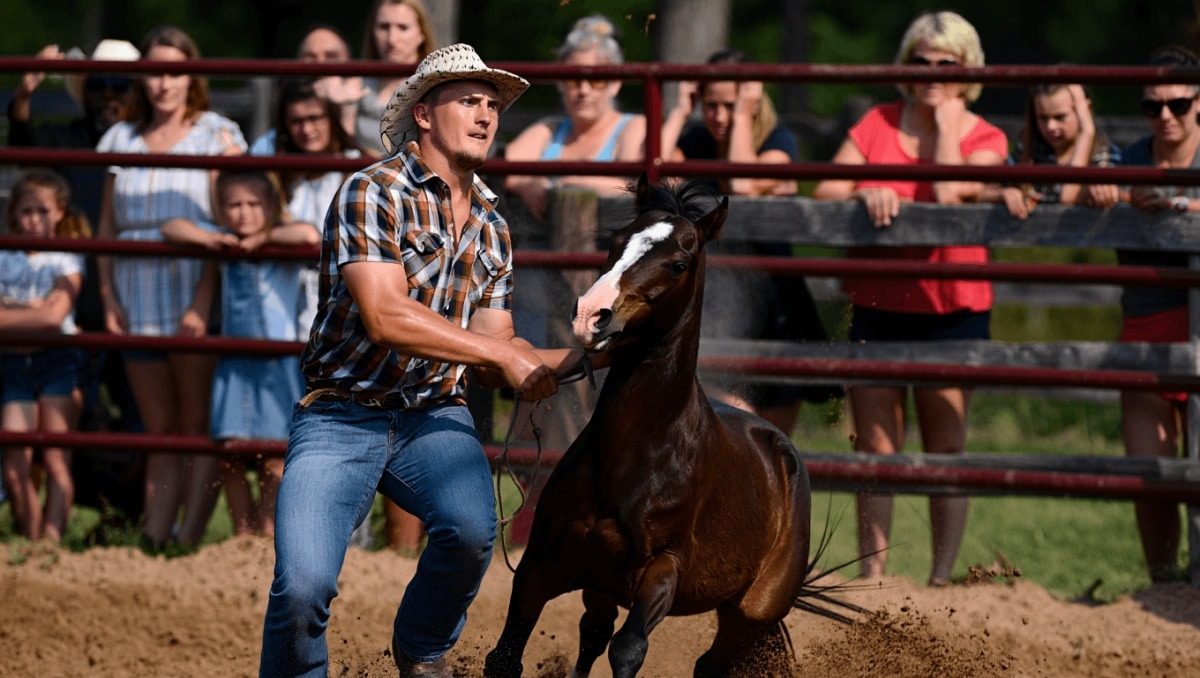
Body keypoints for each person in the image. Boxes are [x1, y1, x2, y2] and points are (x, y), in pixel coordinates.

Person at [258, 43, 587, 677]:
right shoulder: (371, 191)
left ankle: (422, 652)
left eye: (492, 104)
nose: (487, 114)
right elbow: (386, 316)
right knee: (302, 588)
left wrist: (585, 354)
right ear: (425, 115)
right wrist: (501, 354)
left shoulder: (492, 223)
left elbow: (500, 345)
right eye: (469, 100)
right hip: (340, 413)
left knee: (469, 533)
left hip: (434, 412)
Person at [812, 11, 1008, 586]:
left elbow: (949, 193)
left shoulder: (987, 137)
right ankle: (873, 576)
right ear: (905, 65)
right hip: (878, 304)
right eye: (921, 61)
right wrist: (866, 186)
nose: (932, 72)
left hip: (954, 310)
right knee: (875, 448)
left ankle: (942, 576)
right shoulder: (875, 123)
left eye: (947, 64)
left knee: (946, 448)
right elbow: (825, 187)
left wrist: (946, 121)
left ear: (967, 69)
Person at [95, 25, 247, 550]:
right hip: (136, 296)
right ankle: (154, 534)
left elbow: (224, 226)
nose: (163, 82)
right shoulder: (120, 138)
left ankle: (189, 535)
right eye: (154, 71)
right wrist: (109, 296)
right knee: (160, 427)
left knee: (195, 422)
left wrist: (203, 304)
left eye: (174, 70)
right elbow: (107, 226)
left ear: (191, 75)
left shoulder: (216, 134)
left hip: (191, 292)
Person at [661, 48, 841, 432]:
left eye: (730, 105)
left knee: (773, 435)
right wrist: (678, 111)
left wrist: (744, 116)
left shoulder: (778, 140)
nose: (720, 116)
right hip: (720, 298)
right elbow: (654, 176)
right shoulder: (695, 141)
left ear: (752, 99)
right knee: (732, 419)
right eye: (710, 105)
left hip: (776, 299)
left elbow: (741, 183)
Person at [8, 40, 145, 514]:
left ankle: (129, 514)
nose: (109, 94)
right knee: (74, 417)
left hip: (129, 299)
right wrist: (23, 94)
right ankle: (89, 510)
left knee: (138, 415)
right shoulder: (65, 139)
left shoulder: (142, 140)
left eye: (120, 85)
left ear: (135, 92)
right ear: (85, 91)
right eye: (99, 84)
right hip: (72, 304)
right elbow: (24, 147)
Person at [162, 171, 314, 537]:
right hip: (234, 360)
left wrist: (265, 238)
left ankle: (267, 533)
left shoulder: (281, 246)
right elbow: (172, 228)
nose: (243, 213)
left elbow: (308, 234)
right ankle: (242, 534)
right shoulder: (224, 245)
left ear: (271, 208)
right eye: (233, 205)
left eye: (253, 205)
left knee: (275, 456)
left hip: (278, 362)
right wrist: (212, 239)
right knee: (229, 451)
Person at [1117, 45, 1200, 583]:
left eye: (1178, 104)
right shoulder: (1129, 161)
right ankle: (1165, 581)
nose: (1165, 116)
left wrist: (1179, 204)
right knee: (1149, 471)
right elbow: (1082, 190)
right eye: (1153, 107)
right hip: (1148, 322)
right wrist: (1123, 195)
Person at [0, 169, 91, 541]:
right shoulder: (5, 254)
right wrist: (36, 310)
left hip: (57, 360)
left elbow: (55, 317)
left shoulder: (66, 256)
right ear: (13, 215)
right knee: (15, 462)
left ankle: (52, 544)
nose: (34, 220)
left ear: (60, 213)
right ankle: (31, 538)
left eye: (42, 211)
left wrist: (10, 311)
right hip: (13, 363)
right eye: (26, 211)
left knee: (55, 457)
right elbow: (49, 313)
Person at [504, 14, 647, 220]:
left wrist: (570, 183)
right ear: (560, 83)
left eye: (596, 80)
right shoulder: (550, 129)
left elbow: (639, 188)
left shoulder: (633, 127)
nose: (584, 90)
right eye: (573, 80)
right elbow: (496, 166)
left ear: (615, 83)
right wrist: (523, 185)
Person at [980, 81, 1121, 218]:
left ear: (1085, 111)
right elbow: (979, 192)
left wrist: (1087, 132)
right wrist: (1003, 193)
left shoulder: (1105, 154)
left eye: (1060, 117)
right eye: (1042, 118)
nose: (1051, 126)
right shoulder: (1029, 151)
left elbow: (1067, 195)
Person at [354, 0, 438, 155]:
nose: (392, 39)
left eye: (403, 27)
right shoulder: (354, 83)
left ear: (422, 34)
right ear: (372, 31)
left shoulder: (437, 87)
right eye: (384, 27)